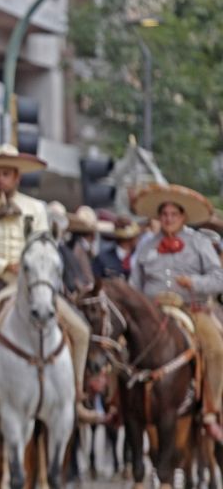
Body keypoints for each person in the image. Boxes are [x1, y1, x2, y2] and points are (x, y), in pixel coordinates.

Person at [0, 144, 93, 422]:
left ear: (17, 177)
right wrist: (5, 265)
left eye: (6, 174)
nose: (0, 179)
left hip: (31, 287)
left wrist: (32, 269)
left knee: (81, 331)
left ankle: (75, 396)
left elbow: (44, 247)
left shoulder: (36, 208)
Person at [129, 183, 223, 441]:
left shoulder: (199, 242)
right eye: (164, 215)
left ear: (183, 217)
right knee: (122, 348)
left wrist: (194, 283)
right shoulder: (146, 247)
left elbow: (219, 277)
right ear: (159, 217)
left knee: (216, 348)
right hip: (153, 313)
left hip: (190, 310)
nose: (169, 219)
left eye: (174, 214)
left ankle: (211, 410)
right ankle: (119, 405)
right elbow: (134, 286)